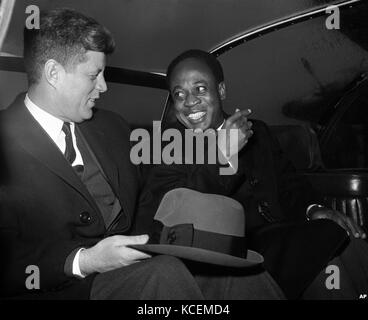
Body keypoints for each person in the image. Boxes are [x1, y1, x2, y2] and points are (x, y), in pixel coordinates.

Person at [0, 8, 207, 300]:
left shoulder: (112, 126)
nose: (104, 86)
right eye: (94, 75)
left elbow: (156, 184)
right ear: (53, 73)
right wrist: (86, 260)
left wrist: (211, 152)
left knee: (235, 274)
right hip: (65, 289)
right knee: (165, 273)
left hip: (139, 270)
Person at [132, 49, 368, 299]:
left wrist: (314, 209)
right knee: (327, 242)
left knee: (346, 240)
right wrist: (220, 156)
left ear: (221, 91)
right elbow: (159, 217)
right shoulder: (165, 146)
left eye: (200, 89)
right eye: (179, 94)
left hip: (283, 239)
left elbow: (290, 185)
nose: (189, 101)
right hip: (226, 255)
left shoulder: (259, 132)